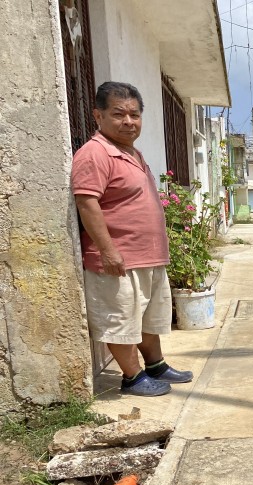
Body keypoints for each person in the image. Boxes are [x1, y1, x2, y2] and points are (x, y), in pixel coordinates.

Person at [71, 81, 192, 397]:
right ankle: (132, 377)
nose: (128, 121)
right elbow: (87, 202)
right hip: (119, 258)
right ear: (98, 115)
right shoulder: (95, 153)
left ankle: (155, 366)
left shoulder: (132, 152)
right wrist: (108, 250)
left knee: (149, 317)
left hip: (148, 256)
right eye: (119, 114)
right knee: (121, 319)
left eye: (134, 115)